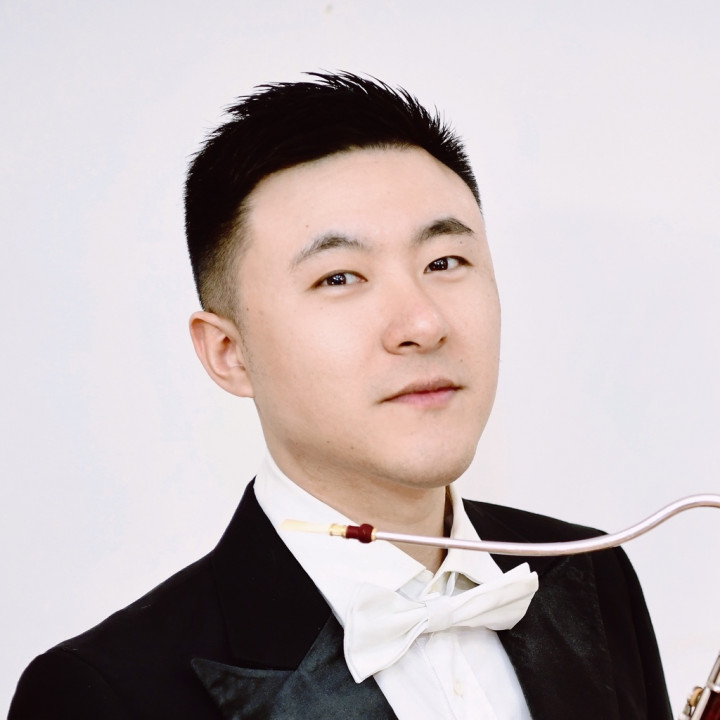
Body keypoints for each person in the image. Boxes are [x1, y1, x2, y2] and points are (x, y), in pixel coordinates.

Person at [9, 72, 672, 719]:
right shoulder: (102, 695)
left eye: (444, 262)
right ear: (229, 352)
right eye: (340, 278)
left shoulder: (593, 575)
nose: (423, 324)